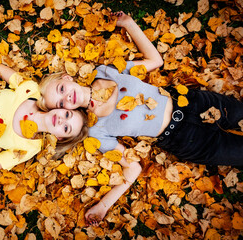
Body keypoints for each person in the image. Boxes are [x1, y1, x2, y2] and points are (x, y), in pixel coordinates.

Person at [37, 11, 243, 225]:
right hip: (186, 140)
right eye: (60, 104)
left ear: (67, 77)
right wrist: (103, 206)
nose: (66, 98)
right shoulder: (95, 130)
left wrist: (128, 23)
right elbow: (133, 167)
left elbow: (155, 61)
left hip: (193, 102)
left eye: (61, 89)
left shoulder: (103, 71)